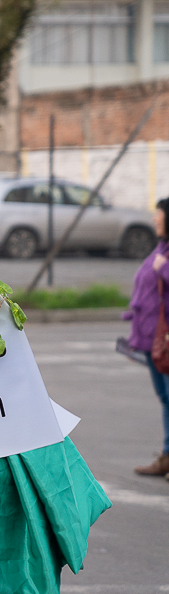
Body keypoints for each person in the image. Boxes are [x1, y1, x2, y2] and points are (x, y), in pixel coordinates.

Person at [127, 196, 169, 480]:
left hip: (164, 339)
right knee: (165, 397)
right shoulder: (161, 247)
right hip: (151, 339)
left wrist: (163, 269)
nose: (155, 219)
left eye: (159, 215)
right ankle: (167, 457)